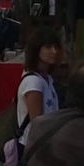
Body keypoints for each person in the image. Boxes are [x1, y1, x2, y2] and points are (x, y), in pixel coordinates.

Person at [16, 28, 62, 156]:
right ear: (36, 49)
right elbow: (37, 121)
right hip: (34, 146)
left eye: (56, 47)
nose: (54, 51)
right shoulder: (33, 82)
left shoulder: (48, 79)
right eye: (48, 47)